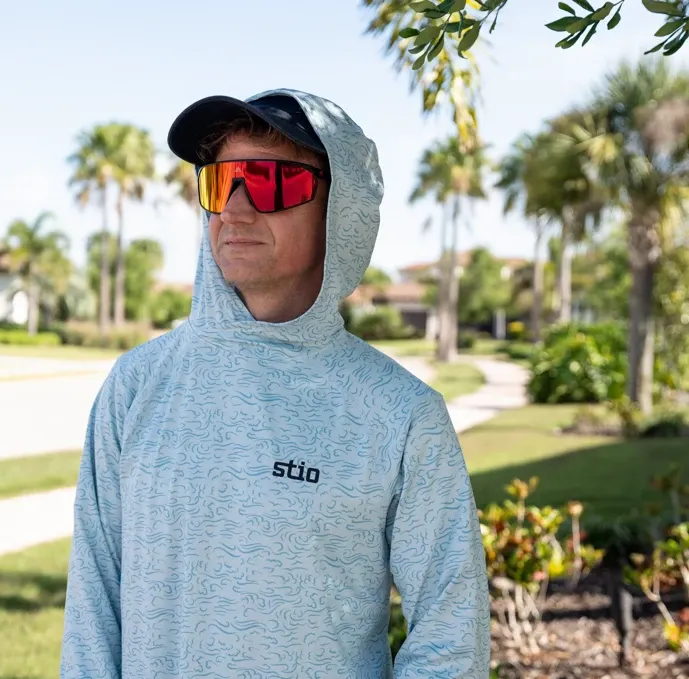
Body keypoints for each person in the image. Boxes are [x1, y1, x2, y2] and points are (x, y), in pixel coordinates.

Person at [60, 88, 491, 678]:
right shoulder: (136, 385)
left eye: (270, 182)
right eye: (221, 182)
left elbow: (451, 635)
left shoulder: (399, 414)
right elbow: (93, 607)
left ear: (343, 210)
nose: (235, 211)